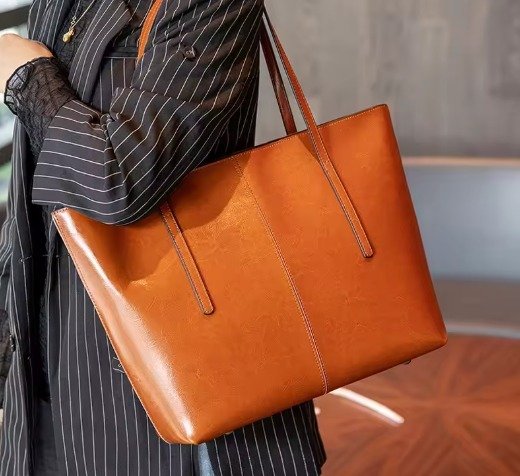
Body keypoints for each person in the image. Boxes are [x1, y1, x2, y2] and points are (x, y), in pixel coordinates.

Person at [0, 0, 327, 474]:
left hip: (174, 380)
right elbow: (38, 181)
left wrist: (30, 81)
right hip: (52, 370)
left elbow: (119, 179)